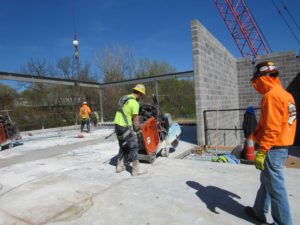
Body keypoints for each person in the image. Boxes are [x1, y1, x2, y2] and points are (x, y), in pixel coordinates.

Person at [245, 61, 297, 225]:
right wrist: (254, 137)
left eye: (256, 81)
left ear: (263, 78)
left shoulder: (271, 96)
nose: (255, 85)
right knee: (267, 181)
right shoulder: (286, 95)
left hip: (273, 149)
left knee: (276, 188)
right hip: (282, 146)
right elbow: (269, 123)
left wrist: (262, 150)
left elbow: (272, 128)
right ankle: (258, 211)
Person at [113, 84, 147, 176]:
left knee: (123, 145)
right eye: (142, 95)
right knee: (134, 145)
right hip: (124, 126)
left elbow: (124, 112)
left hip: (117, 126)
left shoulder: (124, 98)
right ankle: (136, 170)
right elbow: (136, 124)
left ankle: (119, 167)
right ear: (140, 94)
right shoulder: (135, 103)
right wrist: (141, 126)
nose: (141, 97)